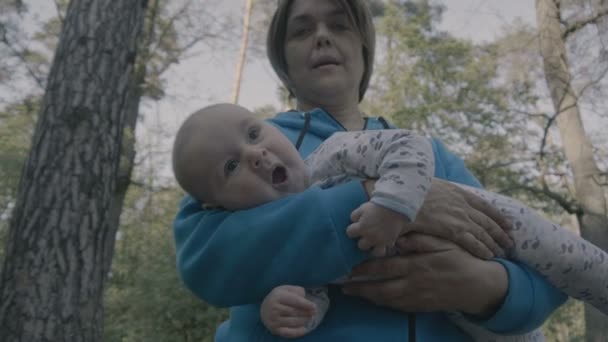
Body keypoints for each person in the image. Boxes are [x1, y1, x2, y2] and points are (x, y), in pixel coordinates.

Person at [173, 0, 567, 341]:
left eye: (339, 24)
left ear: (364, 47)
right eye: (301, 30)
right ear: (283, 61)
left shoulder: (429, 154)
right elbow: (203, 258)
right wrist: (373, 200)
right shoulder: (245, 149)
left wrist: (483, 287)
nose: (322, 36)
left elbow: (535, 271)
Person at [172, 103, 608, 341]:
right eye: (230, 168)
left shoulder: (336, 152)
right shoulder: (251, 238)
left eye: (253, 134)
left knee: (568, 258)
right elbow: (312, 297)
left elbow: (409, 147)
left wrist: (394, 205)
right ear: (219, 207)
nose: (253, 154)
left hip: (492, 226)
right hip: (463, 319)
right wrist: (284, 311)